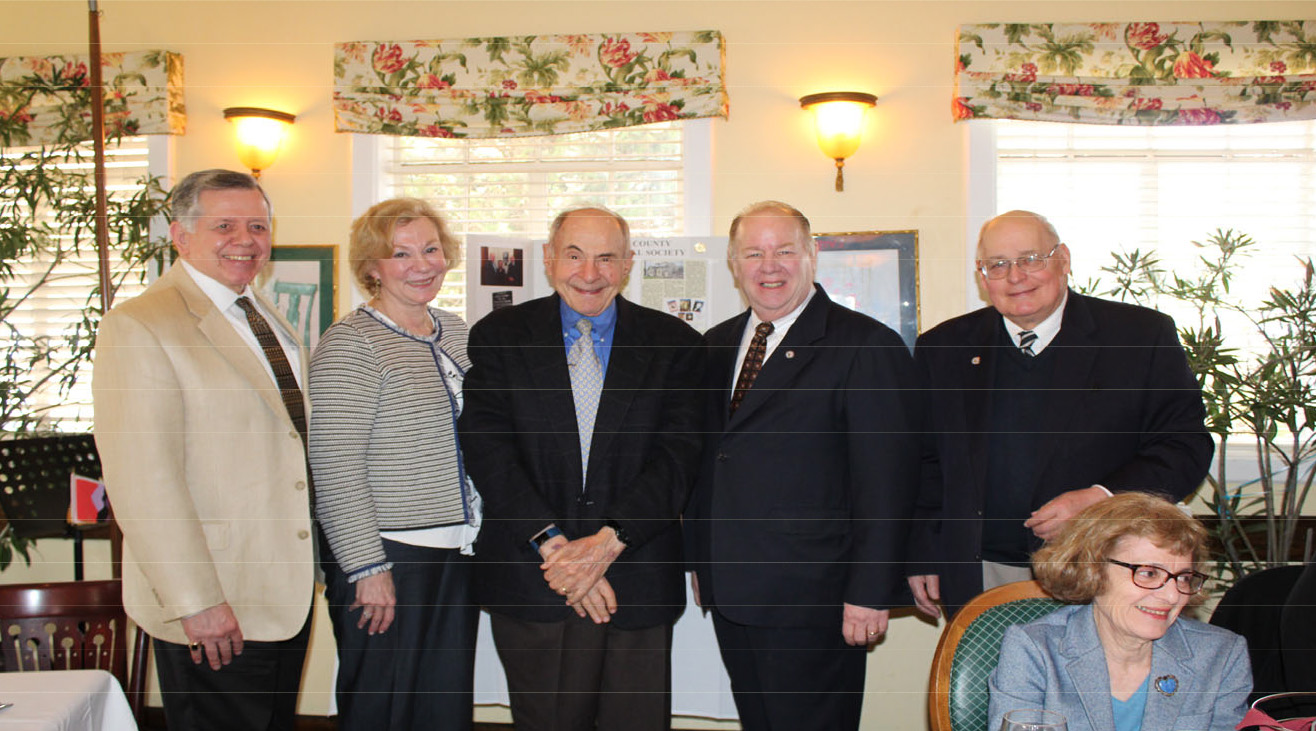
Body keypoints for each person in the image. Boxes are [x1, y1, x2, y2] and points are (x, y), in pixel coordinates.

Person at [457, 206, 704, 731]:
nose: (589, 273)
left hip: (635, 582)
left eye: (605, 257)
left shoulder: (677, 344)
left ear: (628, 263)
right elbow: (488, 449)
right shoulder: (499, 337)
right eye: (573, 255)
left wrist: (608, 543)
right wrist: (558, 550)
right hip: (533, 580)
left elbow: (679, 458)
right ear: (548, 260)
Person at [685, 201, 921, 731]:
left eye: (785, 251)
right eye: (754, 253)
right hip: (733, 590)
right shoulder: (716, 345)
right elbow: (708, 462)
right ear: (733, 263)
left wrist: (870, 590)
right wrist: (703, 558)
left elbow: (888, 483)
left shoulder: (865, 346)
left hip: (818, 599)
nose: (770, 266)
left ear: (812, 256)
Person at [92, 169, 314, 730]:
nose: (246, 239)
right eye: (225, 225)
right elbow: (143, 480)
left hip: (278, 592)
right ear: (179, 235)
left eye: (258, 226)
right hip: (215, 600)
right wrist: (196, 601)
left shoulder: (263, 313)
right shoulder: (141, 325)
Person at [908, 210, 1213, 617]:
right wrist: (924, 552)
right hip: (981, 571)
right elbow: (924, 463)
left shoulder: (1138, 337)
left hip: (1105, 564)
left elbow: (1185, 446)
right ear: (983, 278)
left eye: (1031, 259)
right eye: (997, 265)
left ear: (1063, 260)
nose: (1016, 276)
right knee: (989, 681)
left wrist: (1102, 499)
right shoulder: (944, 348)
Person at [308, 198, 480, 730]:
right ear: (373, 268)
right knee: (383, 705)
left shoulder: (457, 332)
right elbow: (335, 463)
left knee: (443, 706)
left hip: (458, 549)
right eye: (400, 254)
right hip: (388, 555)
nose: (422, 265)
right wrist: (366, 567)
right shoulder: (351, 344)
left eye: (431, 249)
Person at [988, 492, 1251, 731]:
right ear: (1094, 570)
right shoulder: (1035, 649)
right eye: (1148, 573)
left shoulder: (1221, 655)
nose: (1172, 596)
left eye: (1183, 578)